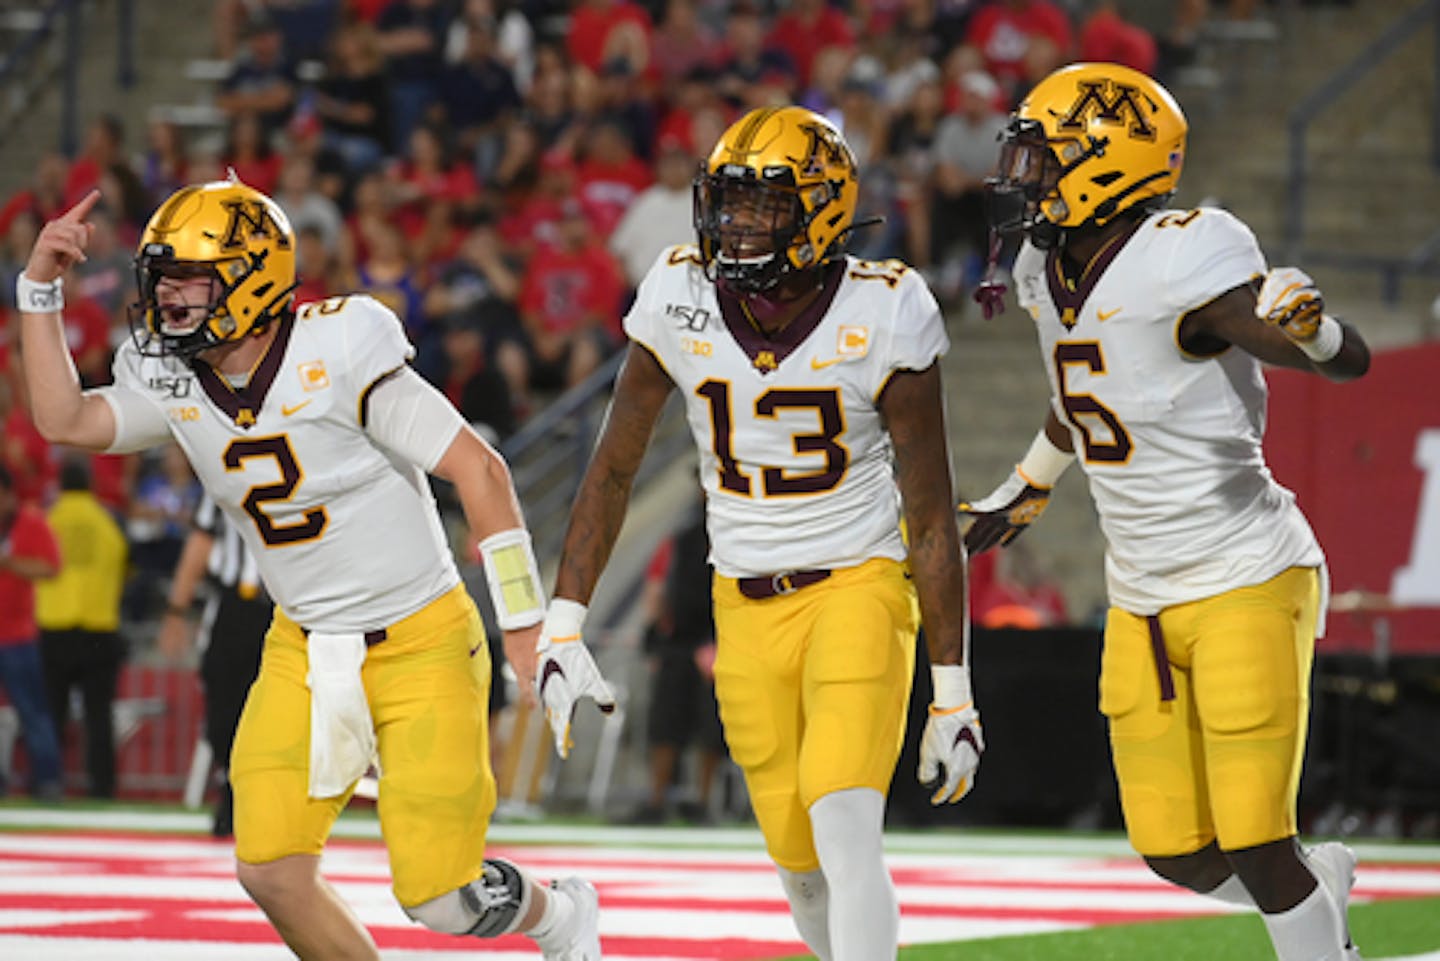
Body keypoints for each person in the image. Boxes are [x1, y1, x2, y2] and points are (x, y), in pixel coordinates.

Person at [17, 178, 600, 960]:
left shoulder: (340, 347)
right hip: (304, 647)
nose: (170, 301)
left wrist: (527, 627)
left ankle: (557, 915)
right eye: (162, 281)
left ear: (253, 275)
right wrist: (39, 290)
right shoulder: (175, 373)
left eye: (191, 278)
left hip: (421, 638)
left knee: (440, 898)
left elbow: (481, 470)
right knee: (271, 870)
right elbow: (66, 417)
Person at [533, 106, 982, 961]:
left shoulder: (886, 308)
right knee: (799, 865)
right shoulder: (677, 292)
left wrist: (951, 687)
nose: (737, 225)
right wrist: (563, 623)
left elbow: (930, 513)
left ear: (821, 209)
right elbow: (613, 469)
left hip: (856, 583)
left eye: (765, 206)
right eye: (729, 203)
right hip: (740, 600)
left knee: (845, 823)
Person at [961, 62, 1371, 961]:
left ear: (1108, 162)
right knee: (1178, 853)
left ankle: (1318, 936)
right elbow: (1081, 391)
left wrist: (1314, 333)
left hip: (1245, 571)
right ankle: (1318, 887)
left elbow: (1325, 358)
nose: (1026, 179)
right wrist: (1028, 480)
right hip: (1141, 590)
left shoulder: (1188, 251)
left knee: (1259, 842)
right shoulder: (1044, 267)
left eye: (1046, 159)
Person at [158, 491, 271, 838]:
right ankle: (232, 790)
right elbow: (201, 540)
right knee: (223, 713)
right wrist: (177, 609)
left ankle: (268, 803)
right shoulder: (222, 466)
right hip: (235, 605)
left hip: (291, 609)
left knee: (281, 711)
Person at [629, 497, 726, 825]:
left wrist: (716, 642)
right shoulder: (686, 537)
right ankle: (660, 799)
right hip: (680, 641)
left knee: (710, 727)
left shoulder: (700, 535)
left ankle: (701, 800)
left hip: (714, 642)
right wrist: (655, 639)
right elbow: (659, 589)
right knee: (665, 723)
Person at [36, 456, 128, 799]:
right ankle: (102, 788)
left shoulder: (48, 521)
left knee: (52, 714)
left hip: (54, 625)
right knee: (98, 716)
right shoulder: (109, 522)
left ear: (60, 485)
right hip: (99, 627)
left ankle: (48, 783)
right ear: (90, 485)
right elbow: (128, 566)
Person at [0, 463, 63, 801]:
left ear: (9, 495)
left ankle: (48, 781)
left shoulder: (30, 523)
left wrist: (9, 563)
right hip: (14, 636)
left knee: (33, 713)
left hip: (17, 637)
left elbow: (52, 567)